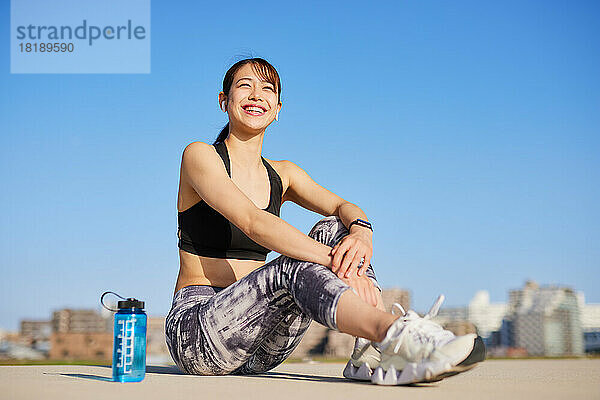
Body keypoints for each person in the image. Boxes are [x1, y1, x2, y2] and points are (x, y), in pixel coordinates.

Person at [165, 57, 485, 385]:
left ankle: (370, 354)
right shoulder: (200, 156)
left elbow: (344, 206)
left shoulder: (284, 173)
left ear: (277, 109)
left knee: (338, 228)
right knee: (295, 263)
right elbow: (252, 222)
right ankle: (393, 333)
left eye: (268, 89)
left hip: (261, 344)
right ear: (224, 100)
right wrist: (335, 263)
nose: (257, 95)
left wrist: (362, 237)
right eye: (245, 86)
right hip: (200, 335)